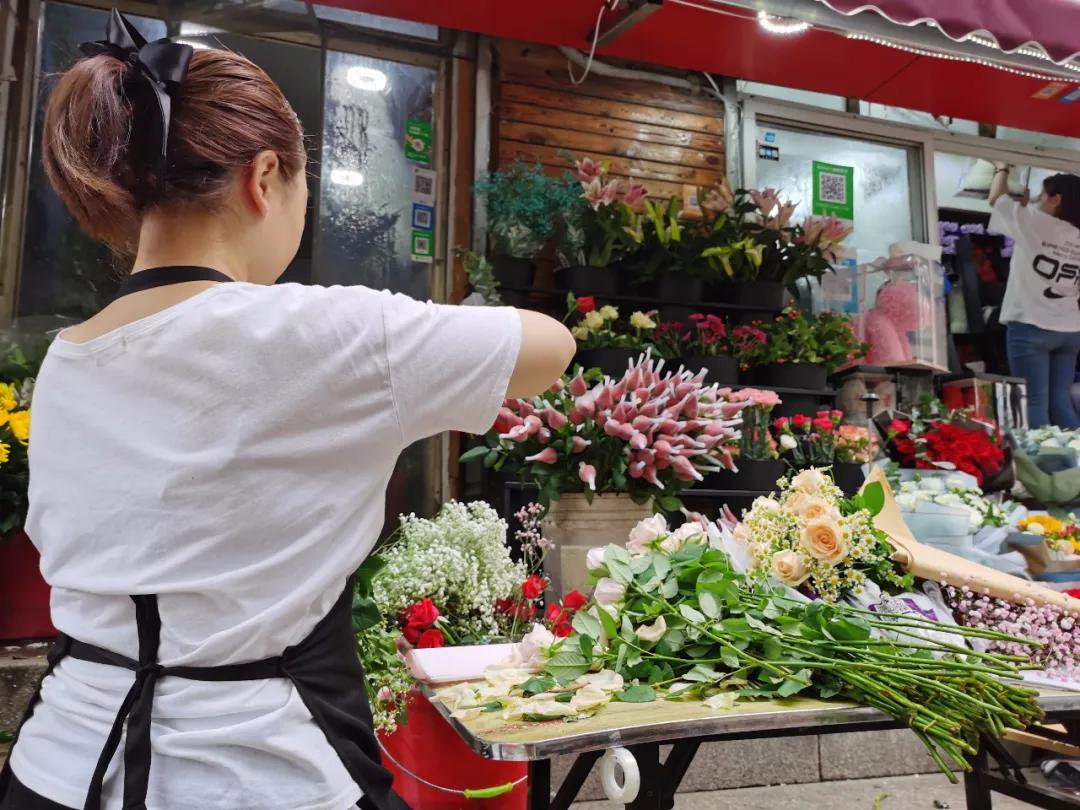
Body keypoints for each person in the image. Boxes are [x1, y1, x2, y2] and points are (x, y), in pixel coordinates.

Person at [0, 11, 574, 810]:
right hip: (263, 775)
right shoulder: (322, 331)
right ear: (264, 177)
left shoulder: (70, 359)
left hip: (60, 769)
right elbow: (550, 347)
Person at [989, 162, 1080, 428]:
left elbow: (996, 199)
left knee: (1035, 402)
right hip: (1070, 328)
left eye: (1042, 197)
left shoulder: (1034, 222)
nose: (1038, 202)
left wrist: (1001, 168)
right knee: (1060, 401)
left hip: (1031, 326)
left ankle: (1046, 467)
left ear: (1056, 199)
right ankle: (1075, 466)